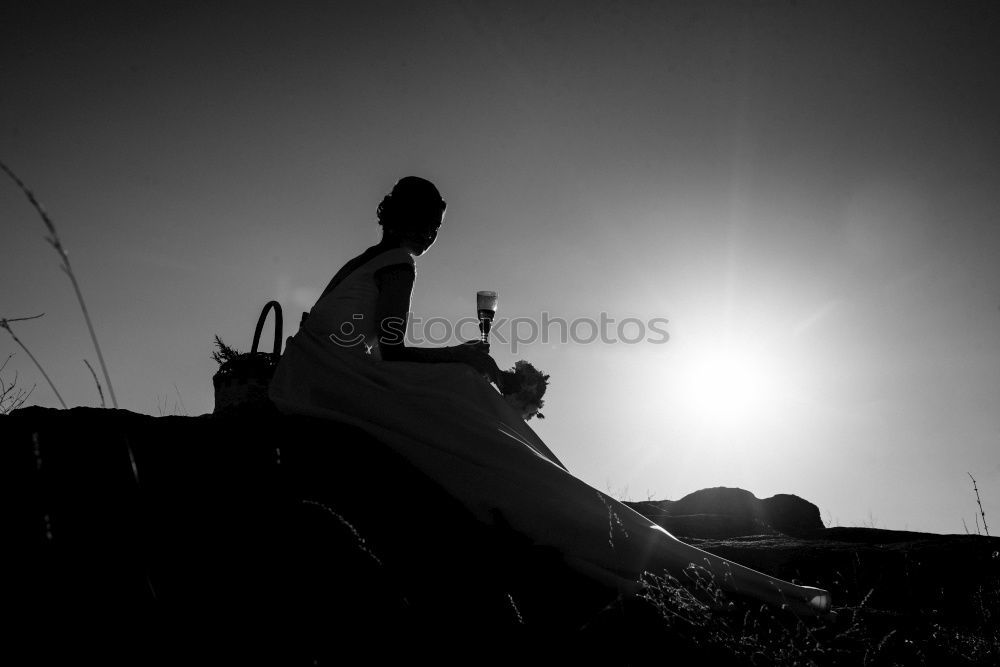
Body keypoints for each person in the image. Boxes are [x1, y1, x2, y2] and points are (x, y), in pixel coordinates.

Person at [267, 176, 831, 619]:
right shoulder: (398, 265)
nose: (432, 234)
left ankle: (521, 462)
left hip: (311, 373)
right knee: (465, 386)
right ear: (406, 218)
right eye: (429, 222)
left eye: (438, 226)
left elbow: (351, 336)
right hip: (337, 379)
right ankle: (534, 476)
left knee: (463, 385)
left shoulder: (362, 259)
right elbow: (389, 353)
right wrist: (462, 355)